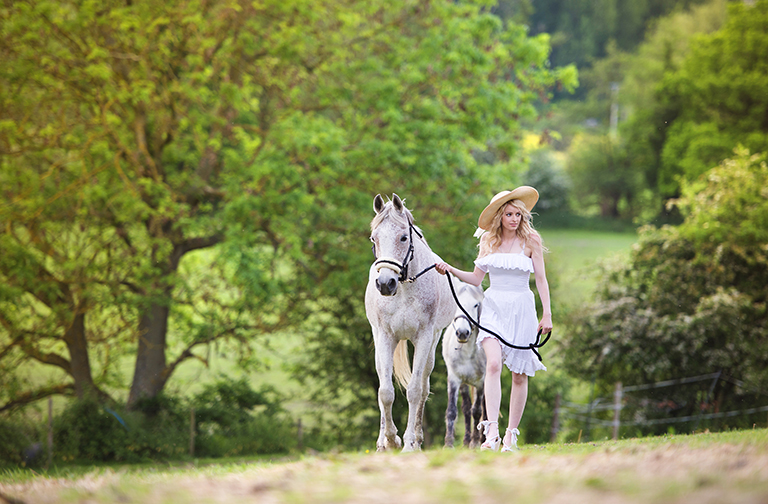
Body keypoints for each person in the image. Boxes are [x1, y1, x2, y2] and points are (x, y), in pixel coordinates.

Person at [435, 186, 552, 451]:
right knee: (493, 365)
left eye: (518, 215)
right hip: (494, 307)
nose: (514, 219)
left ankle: (511, 434)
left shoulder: (531, 240)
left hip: (522, 307)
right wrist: (451, 269)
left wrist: (547, 313)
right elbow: (477, 279)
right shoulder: (489, 241)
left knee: (520, 375)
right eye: (509, 214)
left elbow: (541, 279)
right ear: (500, 216)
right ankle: (491, 433)